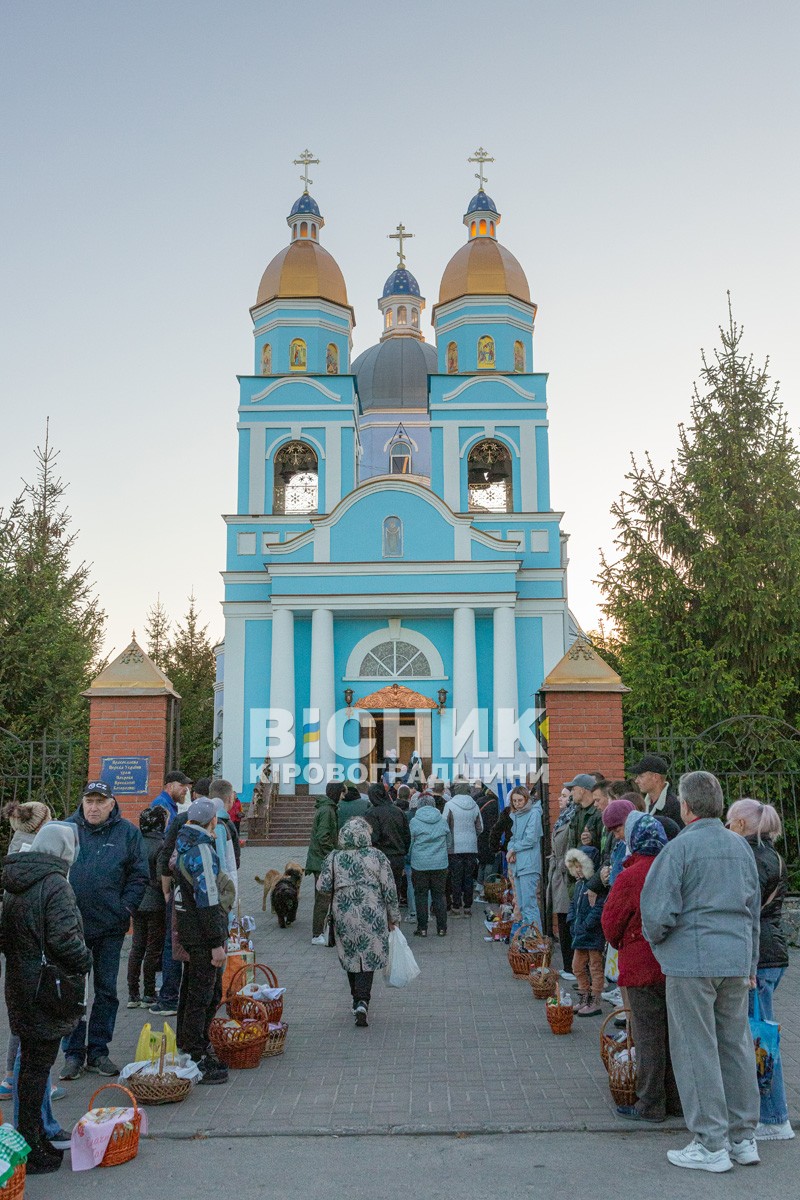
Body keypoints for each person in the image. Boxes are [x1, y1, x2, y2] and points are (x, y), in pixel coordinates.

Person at [640, 771, 761, 1172]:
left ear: (685, 807)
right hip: (734, 958)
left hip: (692, 961)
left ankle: (711, 1144)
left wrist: (659, 945)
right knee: (735, 1045)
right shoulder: (740, 847)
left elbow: (657, 912)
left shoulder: (679, 849)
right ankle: (743, 1138)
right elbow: (752, 910)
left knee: (696, 1048)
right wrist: (751, 962)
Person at [1, 822, 92, 1175]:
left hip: (21, 984)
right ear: (64, 851)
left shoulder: (15, 880)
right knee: (38, 1068)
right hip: (48, 987)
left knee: (31, 1065)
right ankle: (31, 1144)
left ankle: (34, 1136)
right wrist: (86, 960)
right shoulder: (55, 883)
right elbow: (65, 940)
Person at [61, 781, 148, 1080]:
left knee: (106, 991)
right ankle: (73, 1053)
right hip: (71, 928)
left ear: (112, 804)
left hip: (111, 927)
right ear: (82, 802)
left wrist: (125, 907)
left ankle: (98, 1051)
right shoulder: (66, 830)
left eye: (100, 801)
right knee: (73, 992)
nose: (94, 807)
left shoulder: (128, 833)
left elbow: (140, 876)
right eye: (89, 801)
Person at [602, 812, 682, 1124]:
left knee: (647, 1035)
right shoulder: (674, 868)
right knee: (673, 1035)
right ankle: (676, 1100)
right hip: (673, 963)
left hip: (640, 966)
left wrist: (626, 940)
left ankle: (650, 1104)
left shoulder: (631, 876)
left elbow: (610, 925)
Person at [726, 798, 793, 1141]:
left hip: (758, 957)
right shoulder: (772, 855)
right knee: (757, 1035)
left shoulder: (749, 858)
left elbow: (742, 908)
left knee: (760, 1041)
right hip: (771, 953)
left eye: (729, 821)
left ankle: (775, 1118)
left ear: (741, 824)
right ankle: (768, 1114)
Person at [316, 816, 400, 1026]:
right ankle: (362, 1000)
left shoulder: (334, 857)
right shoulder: (377, 856)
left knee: (351, 955)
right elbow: (389, 889)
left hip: (344, 914)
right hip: (372, 913)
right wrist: (394, 917)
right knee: (368, 956)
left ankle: (357, 998)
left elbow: (322, 887)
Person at [173, 798, 234, 1084]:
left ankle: (186, 1045)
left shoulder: (183, 843)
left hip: (188, 929)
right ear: (212, 821)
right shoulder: (202, 850)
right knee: (205, 993)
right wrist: (216, 942)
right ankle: (196, 1053)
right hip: (203, 933)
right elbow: (208, 898)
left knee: (191, 989)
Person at [0, 801, 53, 1102]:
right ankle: (28, 1082)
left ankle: (10, 1075)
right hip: (36, 945)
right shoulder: (40, 855)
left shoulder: (15, 852)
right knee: (35, 1017)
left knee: (20, 1014)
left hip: (17, 944)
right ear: (43, 822)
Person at [149, 770, 192, 1015]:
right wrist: (166, 887)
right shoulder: (162, 807)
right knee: (169, 942)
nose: (186, 790)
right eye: (183, 786)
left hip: (170, 887)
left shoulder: (172, 808)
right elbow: (165, 852)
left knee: (169, 942)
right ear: (171, 785)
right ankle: (168, 995)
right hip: (169, 888)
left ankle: (166, 994)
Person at [127, 806, 167, 1008]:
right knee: (153, 949)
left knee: (137, 947)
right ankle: (149, 993)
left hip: (137, 900)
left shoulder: (134, 843)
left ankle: (132, 993)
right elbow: (161, 878)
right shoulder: (161, 845)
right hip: (155, 902)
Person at [565, 846, 605, 1016]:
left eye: (581, 866)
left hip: (592, 933)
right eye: (575, 867)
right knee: (577, 967)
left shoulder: (596, 887)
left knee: (595, 968)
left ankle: (595, 1001)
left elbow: (598, 908)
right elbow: (573, 904)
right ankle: (584, 998)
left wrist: (586, 924)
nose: (578, 870)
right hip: (580, 933)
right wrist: (571, 920)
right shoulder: (579, 885)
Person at [306, 782, 343, 946]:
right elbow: (323, 837)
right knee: (323, 898)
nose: (343, 797)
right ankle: (317, 934)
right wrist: (334, 851)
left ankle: (321, 931)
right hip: (322, 861)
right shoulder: (328, 810)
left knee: (322, 896)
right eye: (342, 793)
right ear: (337, 793)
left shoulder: (327, 808)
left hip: (320, 859)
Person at [409, 795, 451, 937]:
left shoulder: (414, 822)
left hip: (419, 864)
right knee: (439, 895)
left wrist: (410, 856)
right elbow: (449, 842)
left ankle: (422, 928)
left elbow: (410, 843)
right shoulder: (442, 820)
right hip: (440, 864)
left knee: (420, 896)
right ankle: (442, 928)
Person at [546, 786, 576, 980]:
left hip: (565, 874)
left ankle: (570, 966)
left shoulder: (571, 820)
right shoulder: (563, 818)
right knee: (562, 916)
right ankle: (568, 964)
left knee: (566, 919)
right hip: (558, 873)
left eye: (564, 796)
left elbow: (571, 847)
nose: (559, 799)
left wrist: (564, 867)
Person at [364, 781, 411, 905]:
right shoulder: (398, 811)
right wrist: (403, 852)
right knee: (394, 891)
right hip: (397, 857)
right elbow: (407, 835)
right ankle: (393, 921)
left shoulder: (371, 813)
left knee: (378, 894)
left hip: (378, 858)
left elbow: (371, 838)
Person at [443, 782, 483, 916]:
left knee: (455, 877)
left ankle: (456, 906)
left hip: (454, 847)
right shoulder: (475, 805)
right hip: (471, 847)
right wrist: (472, 836)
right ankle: (467, 907)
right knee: (468, 877)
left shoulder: (449, 805)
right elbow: (480, 827)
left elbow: (444, 825)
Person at [506, 785, 543, 930]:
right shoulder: (515, 815)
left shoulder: (533, 813)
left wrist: (513, 849)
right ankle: (529, 937)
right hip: (518, 865)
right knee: (521, 905)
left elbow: (531, 839)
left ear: (526, 799)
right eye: (514, 801)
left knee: (529, 905)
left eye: (520, 800)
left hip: (528, 865)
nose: (517, 804)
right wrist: (511, 850)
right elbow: (513, 838)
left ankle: (536, 940)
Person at [631, 754, 684, 829]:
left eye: (641, 776)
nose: (636, 781)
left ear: (655, 777)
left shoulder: (674, 806)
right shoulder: (644, 806)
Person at [566, 774, 604, 852]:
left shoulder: (599, 813)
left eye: (573, 789)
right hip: (576, 861)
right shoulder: (576, 812)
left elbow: (604, 844)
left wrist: (591, 840)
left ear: (582, 790)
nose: (571, 793)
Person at [475, 788, 499, 887]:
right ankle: (487, 885)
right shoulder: (495, 804)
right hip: (490, 835)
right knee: (490, 861)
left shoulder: (479, 801)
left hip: (480, 834)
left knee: (482, 861)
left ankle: (479, 884)